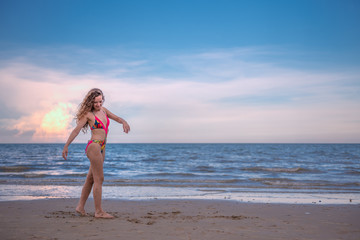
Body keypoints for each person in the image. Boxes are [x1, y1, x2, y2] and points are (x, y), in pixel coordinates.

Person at [62, 88, 130, 219]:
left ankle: (80, 207)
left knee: (91, 178)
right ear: (90, 102)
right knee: (100, 179)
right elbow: (76, 130)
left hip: (102, 147)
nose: (98, 105)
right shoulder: (88, 115)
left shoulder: (104, 111)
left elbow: (116, 118)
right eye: (95, 102)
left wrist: (124, 122)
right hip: (94, 146)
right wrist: (66, 146)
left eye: (100, 101)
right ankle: (98, 212)